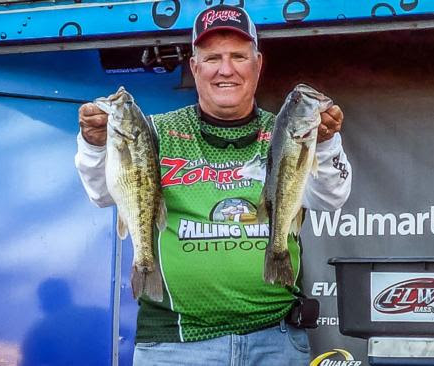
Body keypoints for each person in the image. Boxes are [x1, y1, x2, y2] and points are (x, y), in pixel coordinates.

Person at [75, 5, 352, 365]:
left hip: (276, 340)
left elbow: (331, 199)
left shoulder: (283, 131)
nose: (226, 69)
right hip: (174, 345)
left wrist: (327, 142)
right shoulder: (155, 131)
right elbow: (101, 194)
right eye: (212, 58)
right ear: (194, 67)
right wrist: (96, 145)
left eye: (238, 56)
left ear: (258, 64)